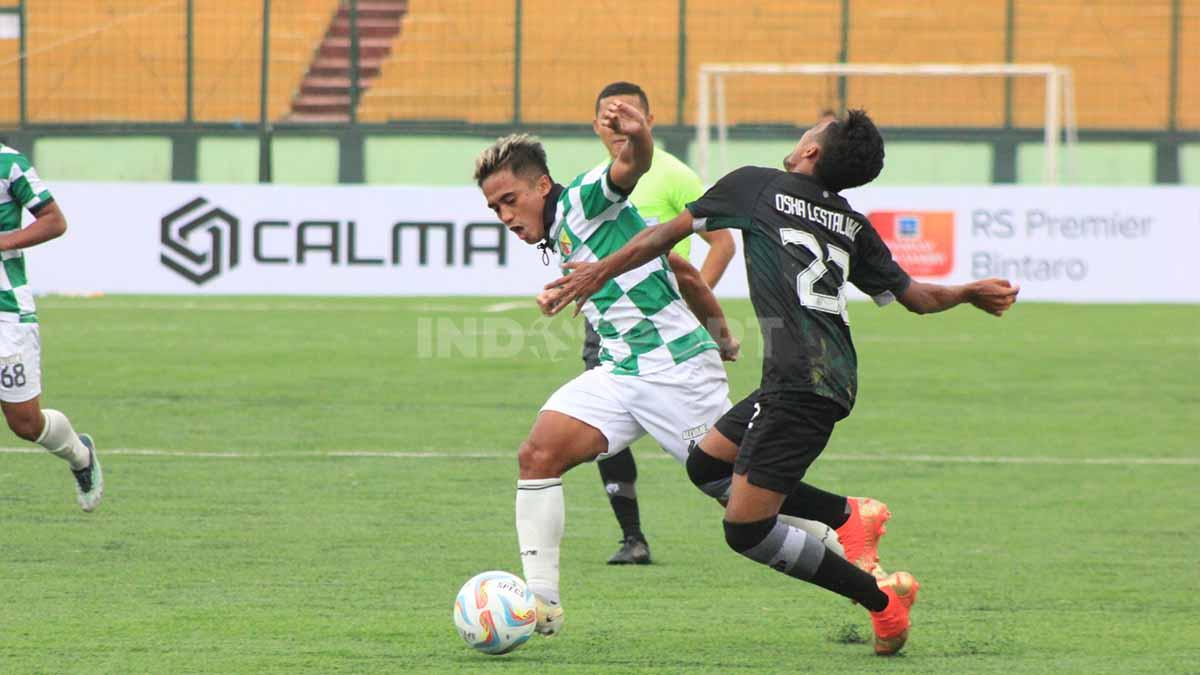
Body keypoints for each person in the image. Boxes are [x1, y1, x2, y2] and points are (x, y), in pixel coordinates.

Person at [544, 109, 1020, 655]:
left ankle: (882, 603)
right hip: (818, 378)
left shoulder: (757, 186)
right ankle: (849, 514)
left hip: (801, 388)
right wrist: (966, 292)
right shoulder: (852, 223)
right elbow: (916, 298)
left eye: (810, 132)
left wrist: (596, 270)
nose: (800, 138)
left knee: (745, 530)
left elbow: (662, 237)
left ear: (812, 152)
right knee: (705, 462)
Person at [473, 102, 742, 638]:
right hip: (622, 370)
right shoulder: (568, 232)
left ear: (542, 186)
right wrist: (723, 334)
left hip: (675, 371)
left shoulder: (581, 200)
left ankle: (850, 544)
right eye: (494, 207)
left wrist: (638, 138)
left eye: (510, 199)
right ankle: (540, 604)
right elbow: (683, 269)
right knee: (538, 453)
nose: (504, 215)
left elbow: (629, 169)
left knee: (744, 502)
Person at [586, 81, 736, 565]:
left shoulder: (674, 175)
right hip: (612, 327)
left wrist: (697, 304)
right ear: (596, 127)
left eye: (627, 119)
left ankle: (781, 516)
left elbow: (723, 243)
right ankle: (632, 537)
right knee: (597, 431)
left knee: (710, 454)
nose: (617, 130)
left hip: (671, 335)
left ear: (649, 123)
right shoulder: (595, 185)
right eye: (607, 122)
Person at [0, 143, 102, 512]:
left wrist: (4, 241)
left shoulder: (8, 163)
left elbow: (53, 220)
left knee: (25, 423)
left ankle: (80, 455)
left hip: (6, 310)